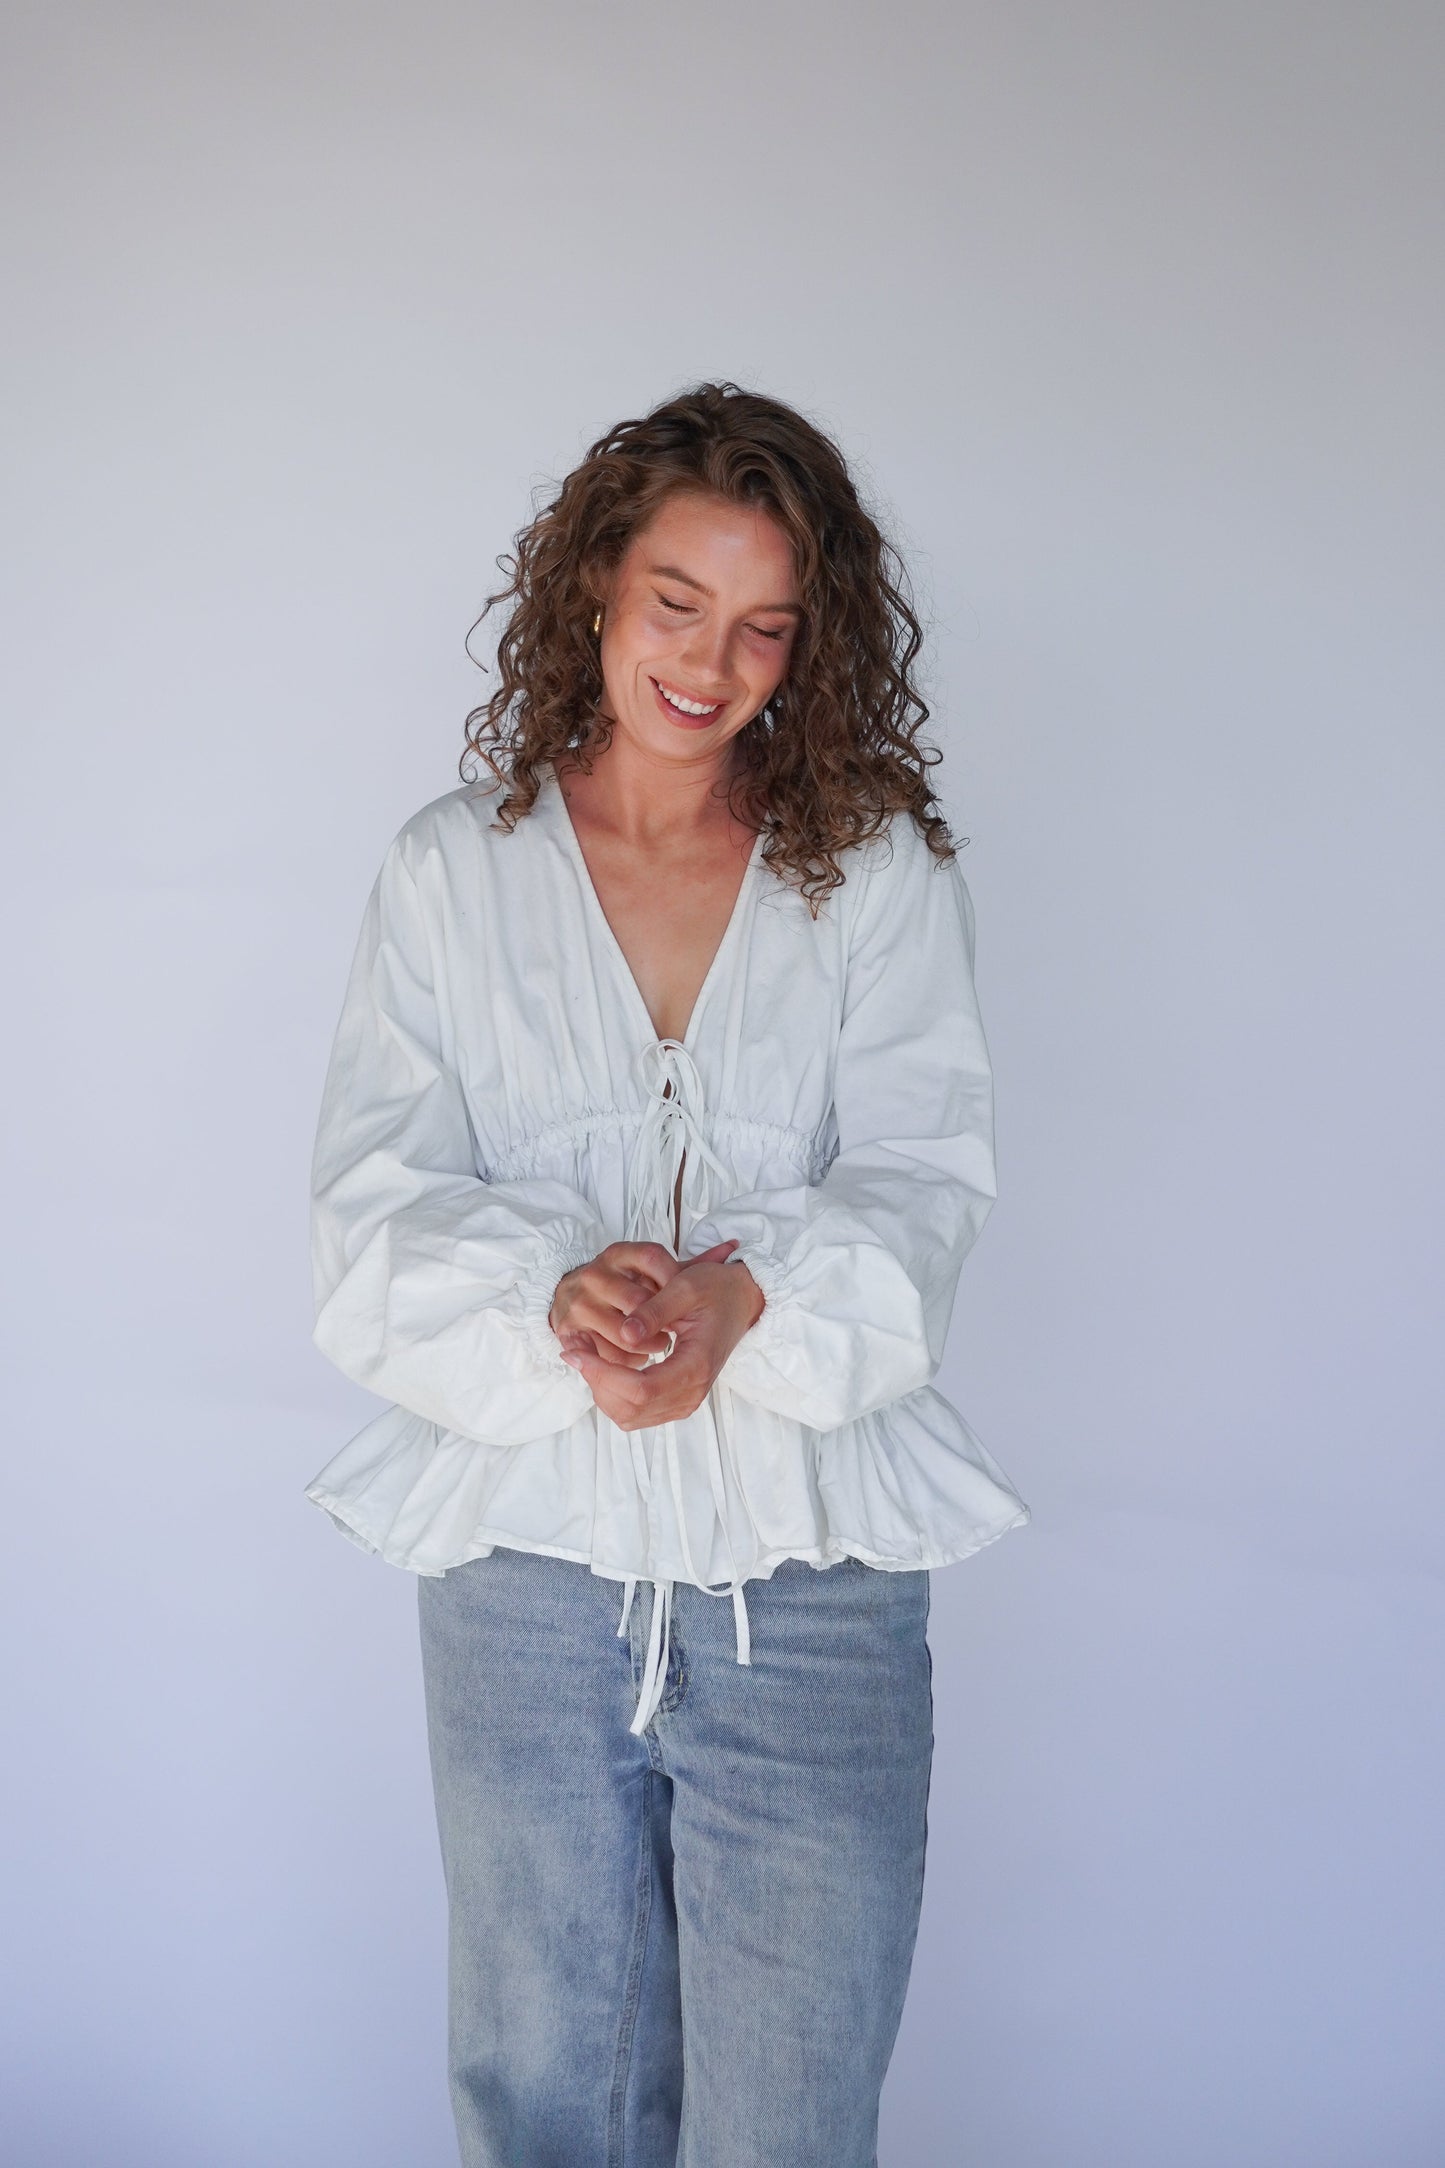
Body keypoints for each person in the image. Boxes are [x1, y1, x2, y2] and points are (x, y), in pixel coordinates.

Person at [305, 381, 1029, 2168]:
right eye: (675, 603)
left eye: (764, 624)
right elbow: (370, 1207)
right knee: (541, 2096)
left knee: (793, 2109)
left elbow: (926, 1179)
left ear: (813, 643)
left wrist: (741, 1303)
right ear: (594, 595)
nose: (709, 663)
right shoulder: (452, 876)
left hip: (817, 1576)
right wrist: (551, 1303)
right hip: (525, 1580)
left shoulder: (871, 874)